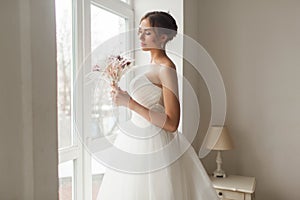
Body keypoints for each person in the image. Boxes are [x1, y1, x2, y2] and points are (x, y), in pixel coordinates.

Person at [96, 11, 219, 200]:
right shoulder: (149, 64)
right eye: (140, 31)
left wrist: (129, 103)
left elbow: (172, 123)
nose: (140, 36)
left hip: (155, 144)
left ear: (162, 36)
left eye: (147, 32)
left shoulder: (166, 68)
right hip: (136, 139)